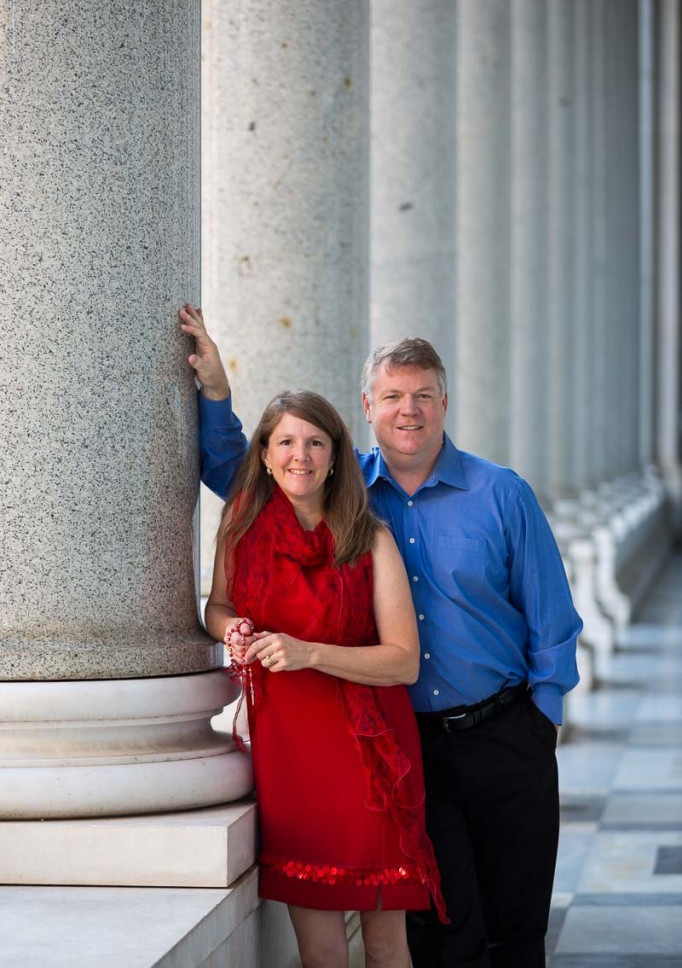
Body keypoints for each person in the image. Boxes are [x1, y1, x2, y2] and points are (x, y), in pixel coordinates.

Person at [180, 304, 583, 968]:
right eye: (393, 396)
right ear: (367, 406)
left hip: (504, 733)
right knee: (440, 934)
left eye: (423, 395)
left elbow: (552, 619)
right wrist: (216, 390)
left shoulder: (502, 494)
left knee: (517, 923)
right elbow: (243, 467)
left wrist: (541, 722)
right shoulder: (345, 493)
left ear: (445, 403)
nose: (409, 410)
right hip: (403, 742)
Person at [203, 386, 446, 968]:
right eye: (285, 441)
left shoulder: (372, 538)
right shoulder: (240, 527)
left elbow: (403, 661)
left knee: (386, 944)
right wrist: (231, 629)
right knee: (320, 951)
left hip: (369, 758)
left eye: (315, 442)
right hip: (290, 755)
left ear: (337, 455)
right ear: (263, 453)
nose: (300, 455)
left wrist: (309, 653)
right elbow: (216, 607)